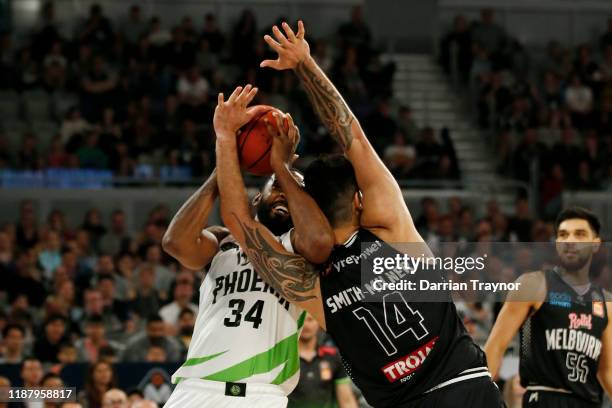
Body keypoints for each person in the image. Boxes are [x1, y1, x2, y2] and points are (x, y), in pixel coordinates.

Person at [217, 21, 503, 407]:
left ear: (310, 208)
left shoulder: (312, 282)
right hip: (466, 386)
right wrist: (304, 63)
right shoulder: (390, 227)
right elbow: (352, 135)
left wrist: (226, 139)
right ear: (357, 200)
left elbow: (239, 221)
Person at [162, 87, 333, 407]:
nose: (284, 193)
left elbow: (320, 242)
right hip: (195, 388)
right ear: (258, 198)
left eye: (295, 190)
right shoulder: (223, 241)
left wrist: (281, 166)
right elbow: (176, 243)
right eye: (277, 187)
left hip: (260, 393)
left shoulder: (302, 250)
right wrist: (229, 160)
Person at [485, 207, 612, 407]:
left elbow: (607, 372)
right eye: (563, 234)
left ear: (595, 244)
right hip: (544, 397)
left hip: (589, 401)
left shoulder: (605, 302)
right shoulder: (532, 285)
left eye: (579, 234)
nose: (570, 240)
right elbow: (496, 346)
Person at [288, 314, 358, 408]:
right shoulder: (284, 359)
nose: (306, 324)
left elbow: (347, 401)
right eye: (302, 320)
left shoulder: (332, 356)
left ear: (319, 323)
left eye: (310, 319)